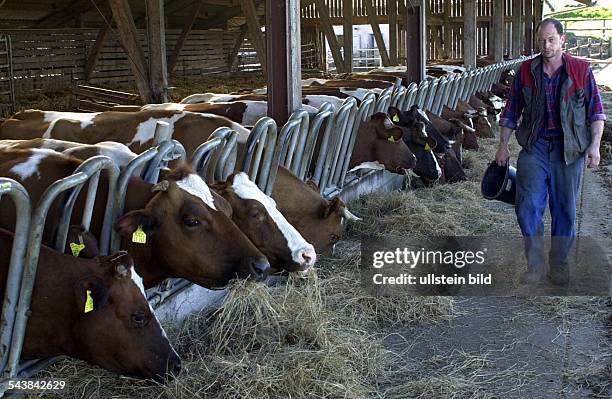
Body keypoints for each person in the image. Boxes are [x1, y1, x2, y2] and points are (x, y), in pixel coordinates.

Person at [495, 18, 606, 285]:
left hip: (569, 150)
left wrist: (595, 145)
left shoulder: (580, 70)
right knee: (526, 206)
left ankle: (559, 264)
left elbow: (596, 111)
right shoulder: (526, 71)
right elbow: (511, 110)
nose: (546, 46)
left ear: (562, 40)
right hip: (536, 146)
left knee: (564, 209)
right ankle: (535, 265)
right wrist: (502, 147)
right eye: (541, 40)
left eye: (551, 40)